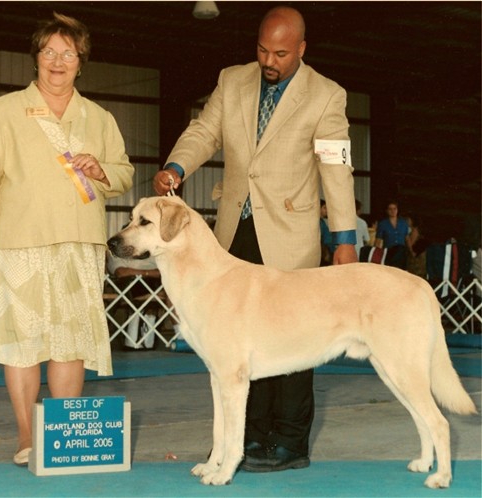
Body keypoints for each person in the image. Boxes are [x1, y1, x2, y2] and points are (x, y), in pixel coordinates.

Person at [153, 6, 357, 473]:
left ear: (301, 50)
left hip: (291, 235)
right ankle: (243, 442)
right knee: (237, 343)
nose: (270, 60)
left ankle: (288, 443)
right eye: (263, 50)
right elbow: (204, 132)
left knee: (294, 341)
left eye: (281, 53)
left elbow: (336, 169)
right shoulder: (233, 80)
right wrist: (176, 166)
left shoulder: (327, 95)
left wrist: (344, 239)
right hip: (232, 232)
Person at [0, 13, 134, 466]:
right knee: (22, 341)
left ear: (81, 61)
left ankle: (63, 437)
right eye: (49, 52)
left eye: (68, 53)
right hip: (20, 242)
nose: (58, 61)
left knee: (70, 342)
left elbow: (125, 173)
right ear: (35, 58)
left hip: (80, 240)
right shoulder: (4, 111)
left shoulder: (99, 116)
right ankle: (26, 436)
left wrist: (102, 172)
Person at [375, 201, 411, 269]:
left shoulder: (403, 223)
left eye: (394, 209)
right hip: (389, 252)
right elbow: (378, 240)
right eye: (390, 209)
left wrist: (411, 251)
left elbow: (407, 238)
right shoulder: (383, 224)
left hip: (401, 252)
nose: (393, 211)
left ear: (397, 210)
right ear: (387, 211)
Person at [319, 199, 334, 266]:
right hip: (322, 253)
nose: (327, 210)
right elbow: (327, 240)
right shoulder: (319, 223)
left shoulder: (322, 222)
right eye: (324, 208)